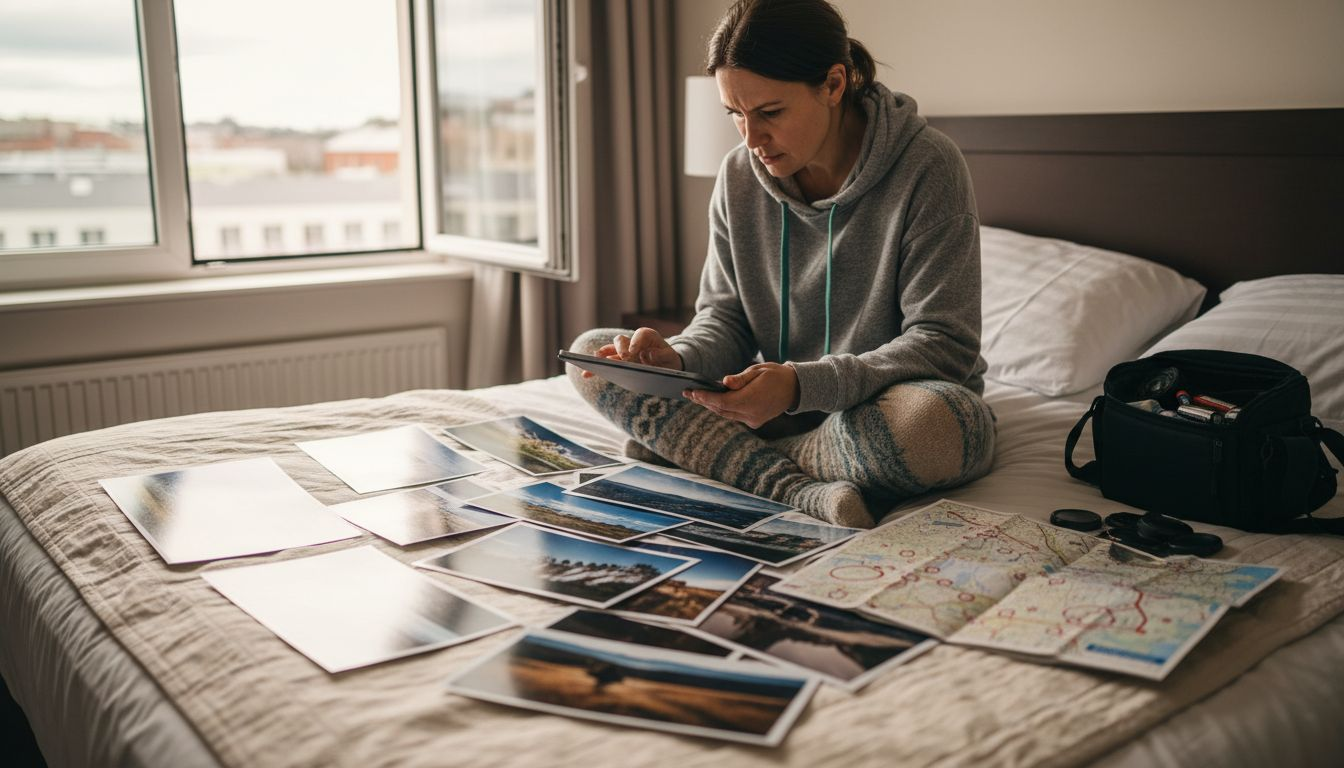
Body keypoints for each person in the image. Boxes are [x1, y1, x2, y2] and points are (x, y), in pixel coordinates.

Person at [567, 0, 995, 528]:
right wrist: (673, 362)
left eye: (770, 112)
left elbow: (944, 343)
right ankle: (799, 488)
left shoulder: (928, 167)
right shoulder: (739, 176)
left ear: (834, 84)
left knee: (935, 425)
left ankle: (715, 455)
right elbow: (725, 320)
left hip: (877, 408)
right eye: (735, 115)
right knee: (592, 356)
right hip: (776, 412)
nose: (751, 138)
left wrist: (800, 385)